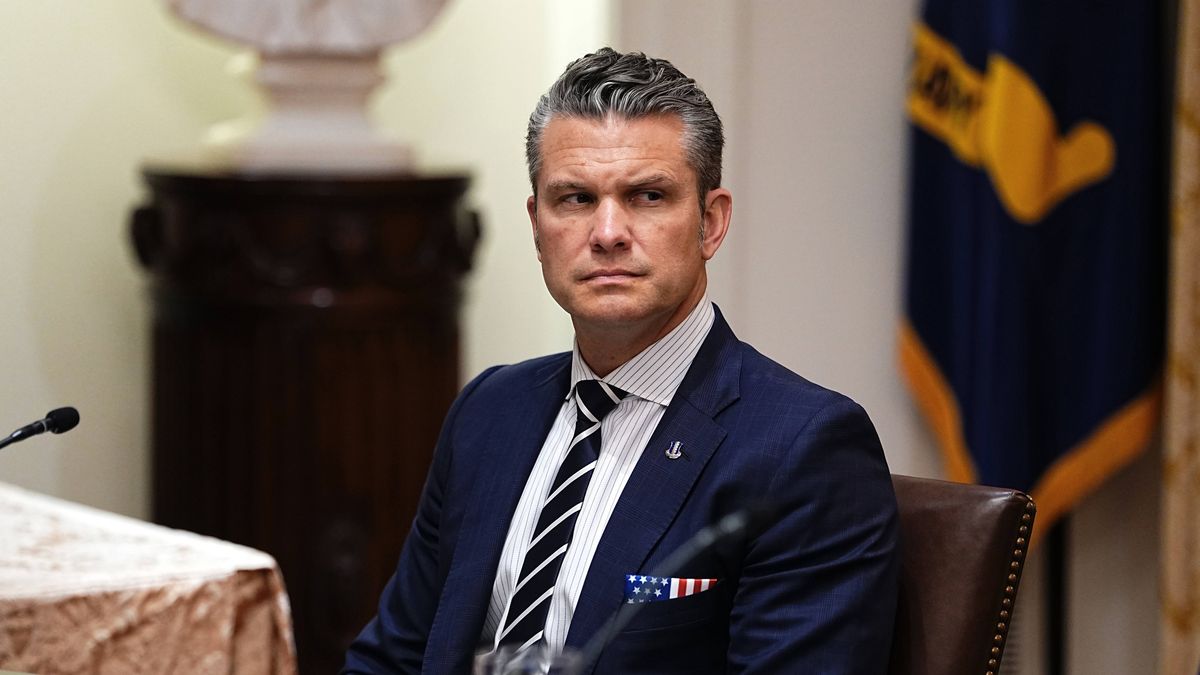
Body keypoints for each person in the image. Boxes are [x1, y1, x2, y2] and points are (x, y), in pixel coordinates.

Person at [343, 47, 899, 675]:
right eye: (576, 199)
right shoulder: (489, 410)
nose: (607, 232)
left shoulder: (803, 448)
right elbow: (392, 657)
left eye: (647, 196)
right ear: (537, 226)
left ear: (711, 223)